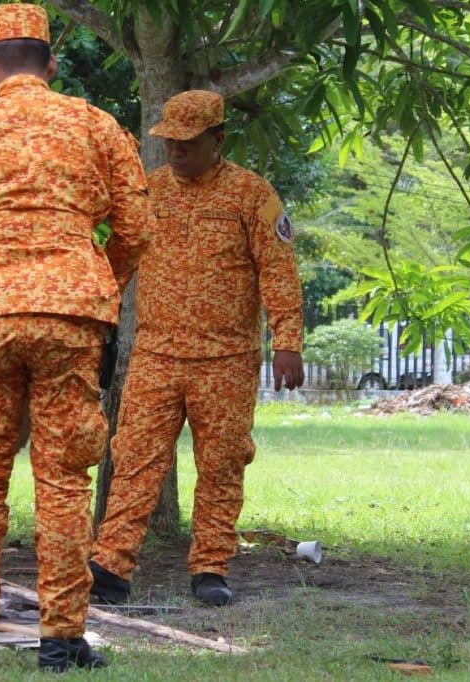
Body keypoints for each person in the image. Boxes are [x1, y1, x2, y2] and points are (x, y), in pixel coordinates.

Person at [0, 3, 151, 672]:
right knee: (65, 478)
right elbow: (136, 227)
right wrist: (93, 282)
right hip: (72, 320)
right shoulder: (96, 127)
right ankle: (62, 641)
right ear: (50, 65)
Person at [89, 90, 305, 608]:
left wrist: (288, 342)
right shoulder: (149, 192)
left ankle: (210, 567)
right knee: (135, 458)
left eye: (188, 143)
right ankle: (111, 567)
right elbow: (118, 259)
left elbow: (278, 271)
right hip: (157, 354)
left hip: (227, 360)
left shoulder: (253, 195)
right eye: (169, 142)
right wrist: (94, 317)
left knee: (222, 465)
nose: (176, 152)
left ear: (217, 140)